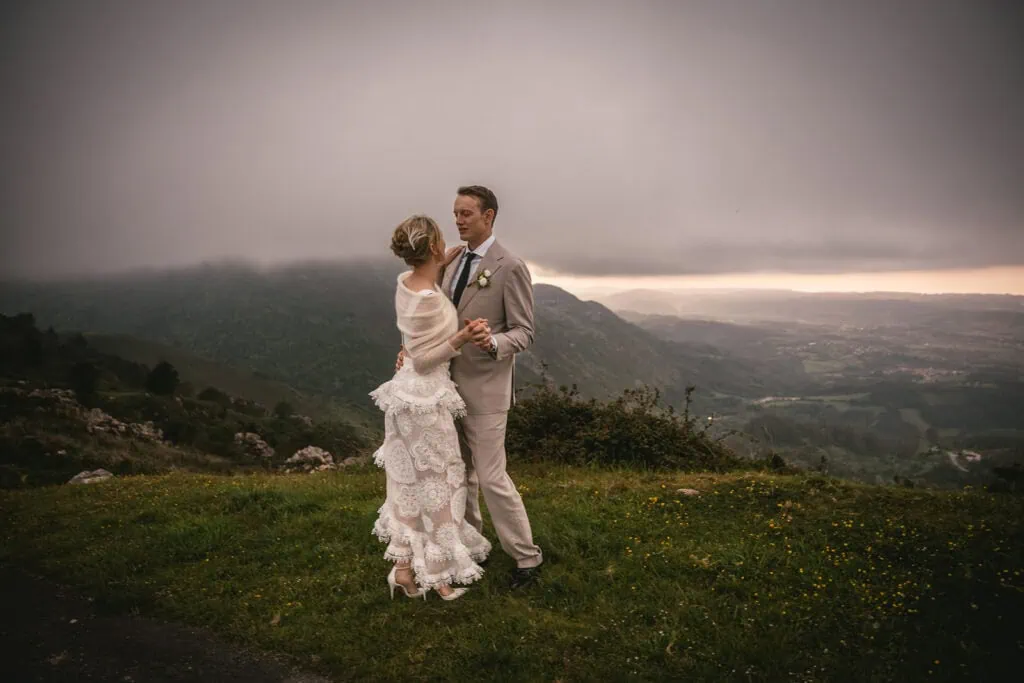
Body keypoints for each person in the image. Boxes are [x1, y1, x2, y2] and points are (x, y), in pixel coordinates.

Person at [397, 185, 543, 589]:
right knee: (459, 476)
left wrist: (493, 342)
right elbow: (430, 318)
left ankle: (527, 560)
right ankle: (473, 548)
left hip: (486, 392)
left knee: (493, 477)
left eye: (466, 213)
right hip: (444, 388)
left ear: (489, 216)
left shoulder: (510, 266)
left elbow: (525, 332)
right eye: (455, 213)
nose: (458, 220)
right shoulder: (455, 258)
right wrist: (408, 351)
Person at [370, 214, 493, 601]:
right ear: (435, 246)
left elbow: (419, 323)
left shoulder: (406, 283)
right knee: (436, 485)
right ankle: (433, 576)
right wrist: (462, 335)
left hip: (406, 395)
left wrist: (439, 265)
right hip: (424, 397)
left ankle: (407, 572)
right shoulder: (426, 298)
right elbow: (424, 359)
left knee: (412, 486)